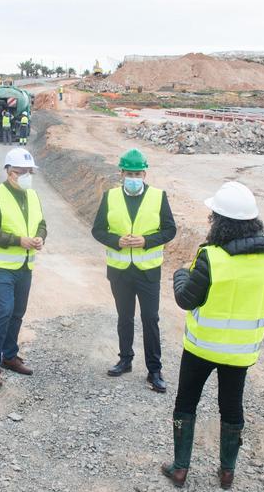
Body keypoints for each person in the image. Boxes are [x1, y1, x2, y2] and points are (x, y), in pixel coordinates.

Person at [162, 182, 264, 489]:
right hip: (240, 353)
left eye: (213, 216)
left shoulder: (211, 257)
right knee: (231, 408)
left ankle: (180, 469)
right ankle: (227, 473)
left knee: (186, 403)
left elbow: (186, 299)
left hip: (201, 349)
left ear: (222, 222)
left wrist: (180, 275)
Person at [91, 148, 176, 392]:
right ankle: (125, 359)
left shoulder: (159, 197)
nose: (133, 177)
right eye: (129, 173)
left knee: (150, 319)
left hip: (148, 271)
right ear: (121, 173)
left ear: (145, 173)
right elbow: (98, 230)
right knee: (124, 317)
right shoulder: (110, 197)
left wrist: (146, 241)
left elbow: (170, 230)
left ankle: (154, 370)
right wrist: (116, 240)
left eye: (138, 173)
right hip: (120, 271)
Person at [0, 148, 47, 388]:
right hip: (1, 268)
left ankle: (9, 356)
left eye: (30, 172)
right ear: (9, 172)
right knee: (4, 312)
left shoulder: (32, 195)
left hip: (25, 266)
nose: (27, 176)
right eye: (21, 172)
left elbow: (41, 224)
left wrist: (39, 237)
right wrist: (18, 240)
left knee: (18, 312)